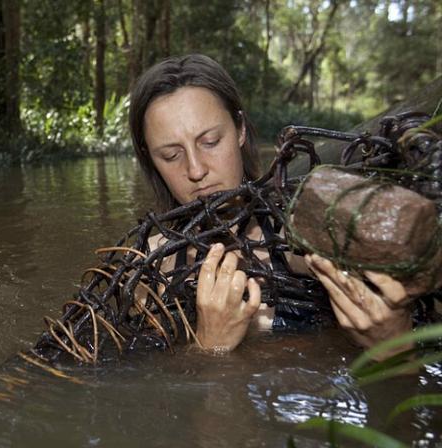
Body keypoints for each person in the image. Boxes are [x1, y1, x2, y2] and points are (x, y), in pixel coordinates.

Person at [129, 54, 414, 358]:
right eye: (171, 155)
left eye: (210, 141)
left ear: (240, 129)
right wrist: (209, 345)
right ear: (150, 159)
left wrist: (395, 343)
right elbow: (148, 385)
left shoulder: (311, 239)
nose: (196, 170)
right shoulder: (149, 266)